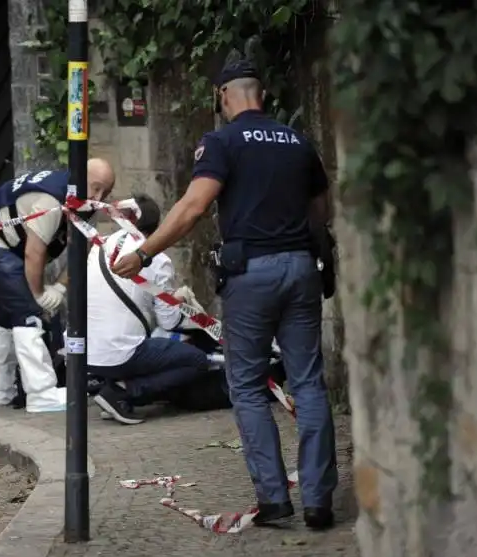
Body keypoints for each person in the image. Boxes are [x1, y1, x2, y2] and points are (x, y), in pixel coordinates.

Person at [111, 60, 338, 529]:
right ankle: (319, 502)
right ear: (263, 94)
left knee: (249, 386)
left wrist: (146, 252)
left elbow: (193, 207)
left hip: (251, 274)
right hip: (300, 269)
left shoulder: (222, 142)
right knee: (309, 382)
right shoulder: (299, 142)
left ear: (223, 96)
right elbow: (322, 211)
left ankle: (275, 499)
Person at [0, 160, 115, 413]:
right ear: (79, 176)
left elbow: (82, 247)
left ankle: (1, 392)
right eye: (95, 188)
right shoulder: (51, 201)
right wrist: (40, 295)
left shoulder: (80, 197)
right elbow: (34, 254)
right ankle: (41, 394)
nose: (98, 197)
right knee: (29, 313)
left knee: (3, 316)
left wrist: (61, 287)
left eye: (105, 193)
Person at [86, 194, 211, 425]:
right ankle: (123, 393)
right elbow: (168, 322)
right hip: (118, 354)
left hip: (85, 353)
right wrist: (179, 299)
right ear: (157, 227)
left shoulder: (100, 247)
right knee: (196, 360)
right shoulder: (157, 260)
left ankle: (113, 391)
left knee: (146, 343)